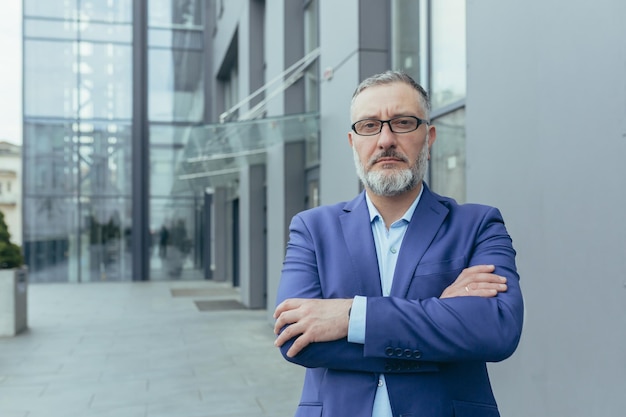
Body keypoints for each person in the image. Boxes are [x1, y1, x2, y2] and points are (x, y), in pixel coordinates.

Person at [273, 70, 524, 417]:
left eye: (403, 122)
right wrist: (440, 317)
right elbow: (294, 339)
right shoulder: (313, 229)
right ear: (352, 141)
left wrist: (352, 317)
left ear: (429, 136)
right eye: (369, 125)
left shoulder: (478, 225)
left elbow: (497, 329)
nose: (385, 139)